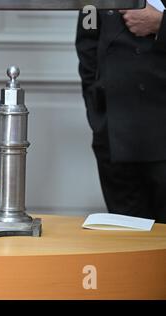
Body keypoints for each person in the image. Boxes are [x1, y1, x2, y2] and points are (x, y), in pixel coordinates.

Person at [76, 1, 166, 223]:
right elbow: (87, 45)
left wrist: (161, 24)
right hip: (116, 134)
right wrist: (98, 113)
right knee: (128, 240)